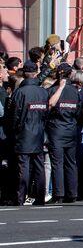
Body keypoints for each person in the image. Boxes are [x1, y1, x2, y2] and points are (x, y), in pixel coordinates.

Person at [6, 62, 48, 205]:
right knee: (39, 166)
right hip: (38, 133)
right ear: (36, 73)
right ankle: (40, 197)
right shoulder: (42, 92)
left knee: (23, 167)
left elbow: (14, 115)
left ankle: (20, 197)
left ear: (24, 74)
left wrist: (12, 131)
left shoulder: (20, 92)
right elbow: (45, 114)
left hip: (23, 134)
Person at [45, 64, 83, 203]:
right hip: (71, 129)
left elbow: (48, 107)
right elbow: (79, 113)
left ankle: (58, 194)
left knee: (57, 163)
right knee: (71, 162)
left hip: (56, 129)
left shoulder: (53, 90)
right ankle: (72, 193)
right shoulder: (75, 92)